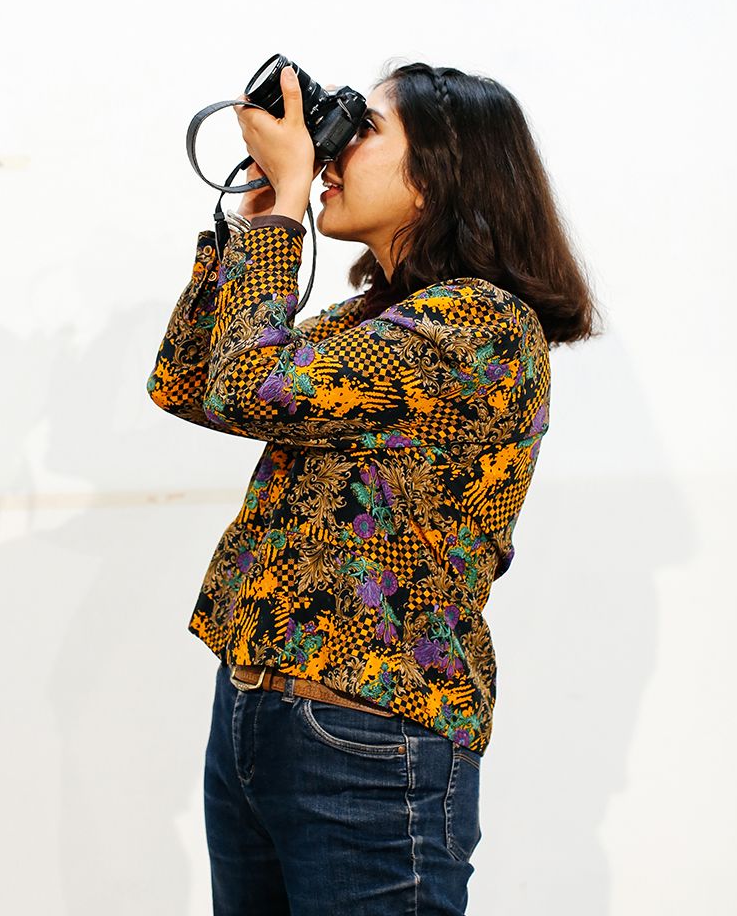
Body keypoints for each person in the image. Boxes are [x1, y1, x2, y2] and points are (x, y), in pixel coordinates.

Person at [147, 61, 601, 916]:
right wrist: (256, 220)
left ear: (439, 172)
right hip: (260, 716)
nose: (331, 154)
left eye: (366, 129)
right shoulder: (378, 322)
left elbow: (252, 385)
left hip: (369, 732)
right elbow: (188, 381)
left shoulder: (477, 326)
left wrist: (285, 210)